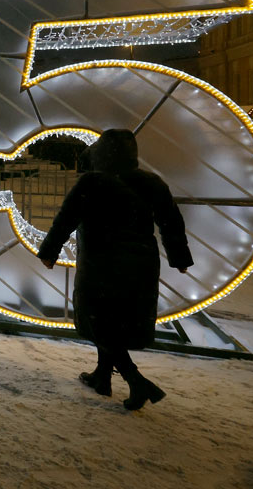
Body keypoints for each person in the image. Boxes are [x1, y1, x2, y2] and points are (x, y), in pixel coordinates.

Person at [37, 129, 193, 411]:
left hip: (100, 262)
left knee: (99, 320)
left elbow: (65, 219)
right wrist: (179, 257)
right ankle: (101, 377)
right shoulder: (151, 182)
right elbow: (171, 221)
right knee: (116, 320)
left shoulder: (91, 182)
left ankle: (136, 381)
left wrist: (49, 252)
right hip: (140, 264)